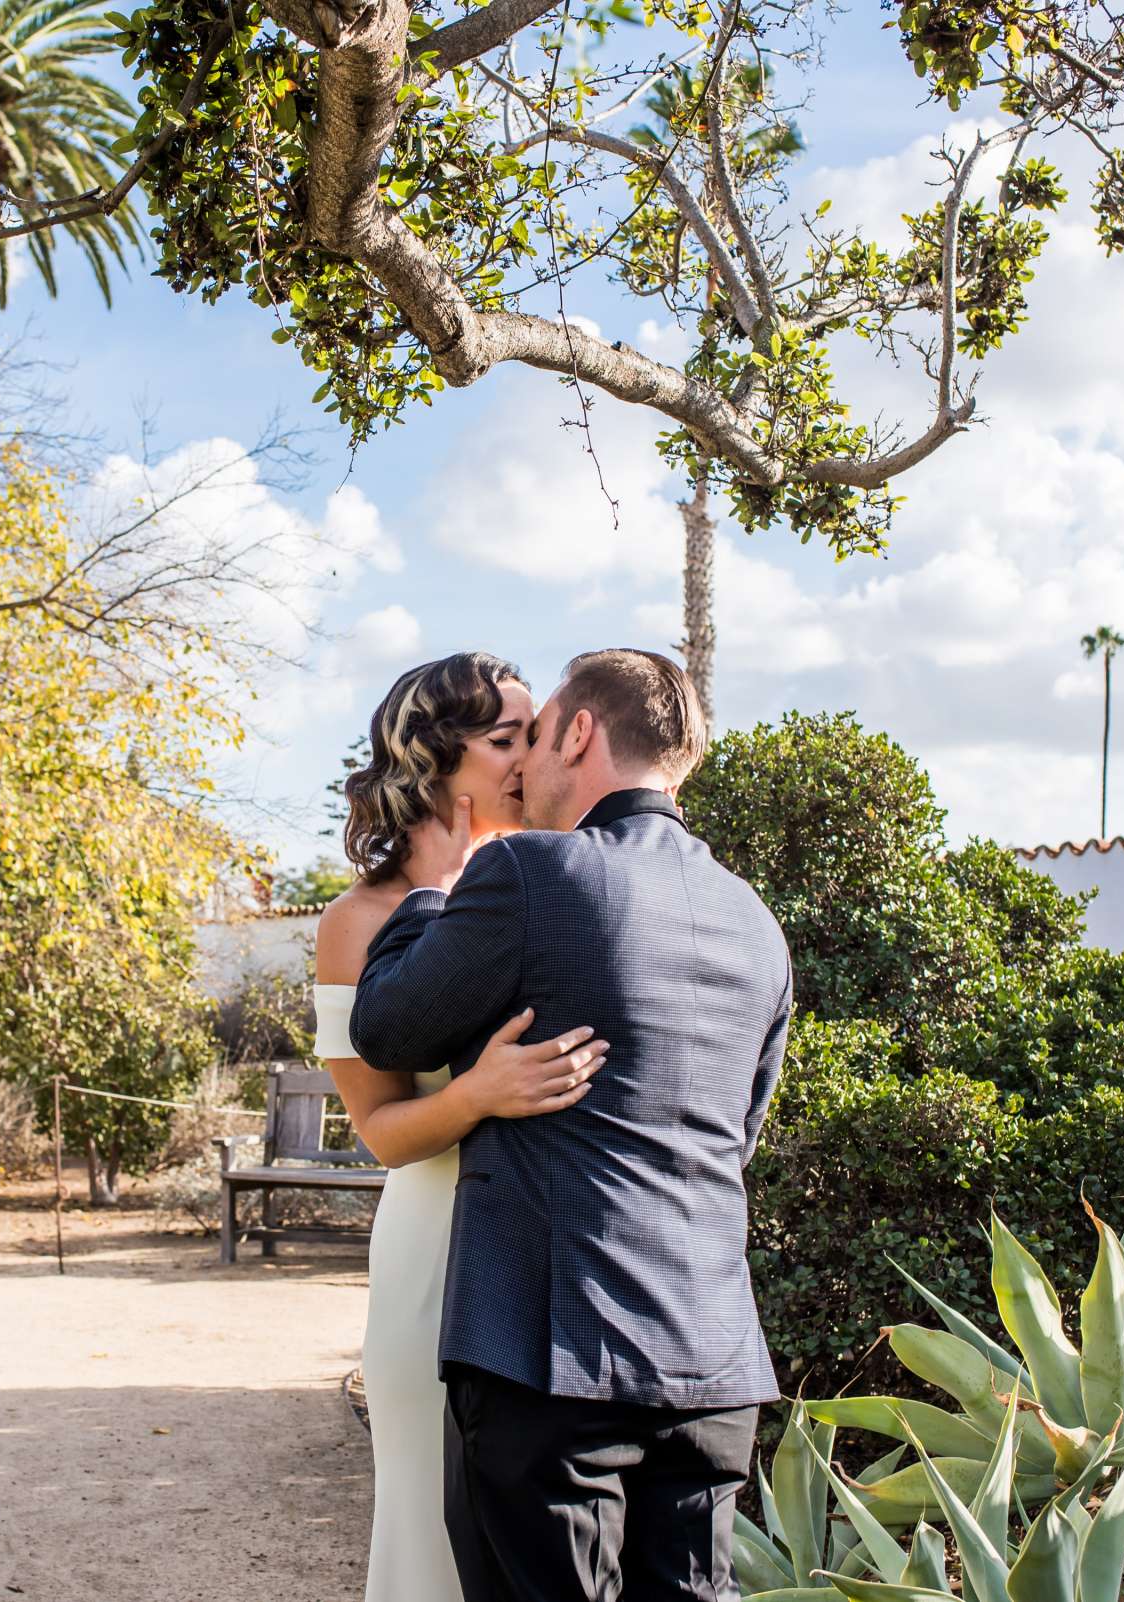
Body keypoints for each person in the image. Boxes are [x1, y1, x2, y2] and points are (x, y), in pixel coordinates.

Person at [352, 648, 794, 1602]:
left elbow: (384, 1022)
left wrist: (435, 888)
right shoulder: (756, 923)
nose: (526, 762)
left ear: (581, 732)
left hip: (551, 1366)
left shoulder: (529, 873)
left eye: (539, 733)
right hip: (711, 1368)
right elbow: (738, 1135)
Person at [313, 651, 614, 1602]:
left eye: (535, 732)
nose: (532, 754)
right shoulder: (356, 921)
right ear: (435, 759)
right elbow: (381, 1129)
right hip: (436, 1248)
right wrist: (476, 1094)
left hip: (558, 1253)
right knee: (429, 1523)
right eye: (506, 737)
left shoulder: (557, 881)